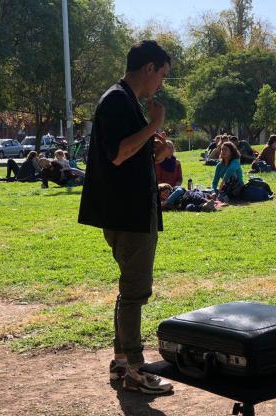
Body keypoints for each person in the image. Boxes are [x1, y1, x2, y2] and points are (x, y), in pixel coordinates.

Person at [77, 40, 174, 394]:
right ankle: (135, 368)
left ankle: (121, 363)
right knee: (135, 293)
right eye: (162, 74)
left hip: (129, 210)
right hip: (128, 214)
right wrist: (155, 125)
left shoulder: (124, 101)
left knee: (129, 291)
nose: (161, 83)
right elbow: (118, 154)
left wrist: (155, 147)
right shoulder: (117, 100)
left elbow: (127, 151)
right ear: (148, 68)